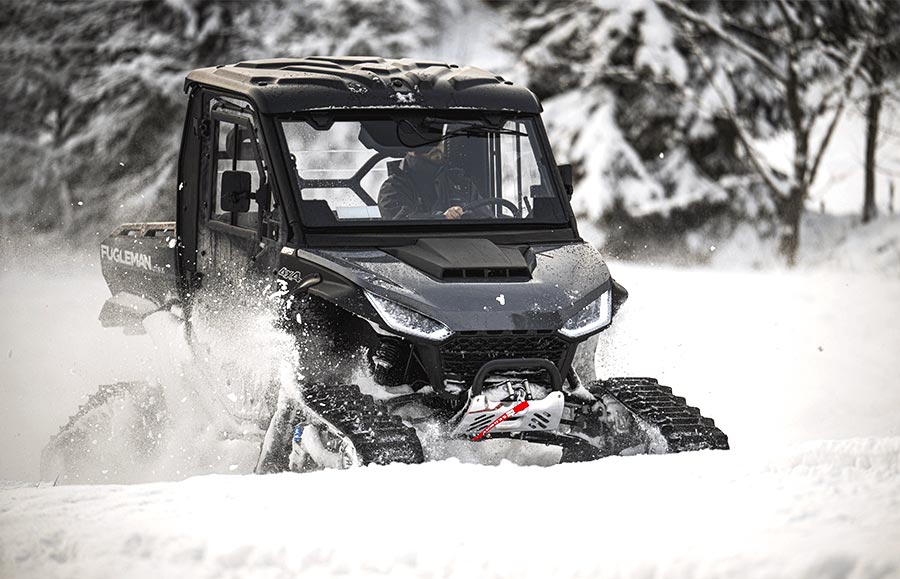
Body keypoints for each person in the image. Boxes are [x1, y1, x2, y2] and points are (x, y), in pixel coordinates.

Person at [378, 143, 488, 220]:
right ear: (411, 149)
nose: (437, 146)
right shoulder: (392, 189)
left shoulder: (461, 183)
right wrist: (441, 217)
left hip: (469, 249)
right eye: (428, 141)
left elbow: (487, 220)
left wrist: (463, 215)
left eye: (440, 140)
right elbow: (401, 226)